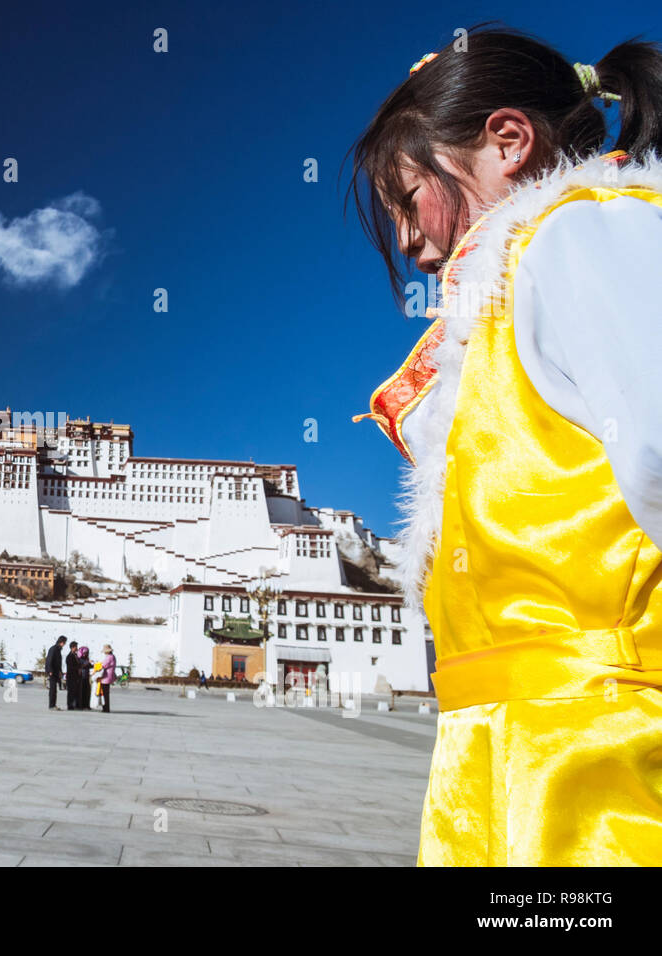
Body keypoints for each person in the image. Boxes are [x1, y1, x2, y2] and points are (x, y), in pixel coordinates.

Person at [350, 27, 662, 865]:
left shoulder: (585, 237)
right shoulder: (511, 285)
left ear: (509, 141)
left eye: (410, 202)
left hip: (603, 757)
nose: (412, 245)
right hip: (497, 755)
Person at [45, 635, 67, 710]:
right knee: (52, 689)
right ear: (61, 642)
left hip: (56, 672)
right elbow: (49, 660)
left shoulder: (58, 650)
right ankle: (51, 705)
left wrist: (60, 671)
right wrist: (50, 671)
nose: (64, 644)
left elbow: (58, 662)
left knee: (55, 689)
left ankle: (54, 704)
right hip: (52, 672)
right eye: (64, 642)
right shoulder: (53, 649)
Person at [98, 644, 117, 713]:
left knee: (105, 693)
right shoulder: (113, 656)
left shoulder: (109, 657)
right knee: (106, 693)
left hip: (106, 677)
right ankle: (106, 707)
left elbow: (103, 665)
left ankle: (106, 708)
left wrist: (97, 666)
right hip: (109, 676)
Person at [64, 640, 81, 710]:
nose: (77, 648)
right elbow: (71, 667)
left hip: (76, 676)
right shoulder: (69, 656)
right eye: (76, 647)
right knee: (71, 691)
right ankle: (70, 705)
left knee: (75, 691)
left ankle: (75, 704)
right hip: (71, 676)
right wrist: (78, 668)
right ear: (72, 647)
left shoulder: (76, 655)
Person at [76, 645, 92, 710]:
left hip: (86, 677)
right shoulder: (78, 659)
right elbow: (81, 666)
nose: (86, 654)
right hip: (81, 677)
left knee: (87, 692)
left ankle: (86, 705)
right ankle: (81, 705)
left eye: (87, 653)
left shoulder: (86, 659)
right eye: (85, 653)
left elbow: (89, 666)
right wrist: (87, 663)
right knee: (81, 692)